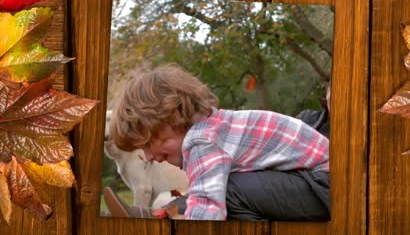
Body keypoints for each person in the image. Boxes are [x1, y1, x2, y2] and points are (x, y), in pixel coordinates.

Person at [108, 63, 330, 221]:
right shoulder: (212, 126)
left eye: (148, 144)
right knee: (215, 186)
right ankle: (158, 216)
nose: (148, 157)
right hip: (312, 180)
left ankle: (160, 217)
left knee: (225, 192)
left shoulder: (202, 142)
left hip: (327, 185)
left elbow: (207, 212)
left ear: (174, 116)